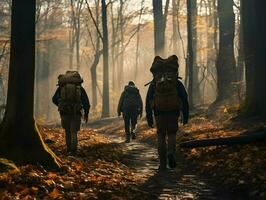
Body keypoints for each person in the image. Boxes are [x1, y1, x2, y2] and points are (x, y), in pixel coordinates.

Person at [145, 55, 189, 170]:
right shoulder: (176, 83)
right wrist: (186, 116)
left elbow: (148, 100)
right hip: (173, 111)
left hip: (159, 112)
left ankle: (162, 164)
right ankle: (171, 152)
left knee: (161, 135)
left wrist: (149, 118)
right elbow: (184, 98)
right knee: (172, 134)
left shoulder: (154, 83)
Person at [52, 71, 90, 153]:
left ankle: (68, 149)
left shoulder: (61, 87)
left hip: (64, 113)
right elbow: (86, 101)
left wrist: (60, 104)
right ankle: (73, 151)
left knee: (67, 131)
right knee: (74, 132)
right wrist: (86, 114)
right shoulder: (79, 88)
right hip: (76, 112)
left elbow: (54, 99)